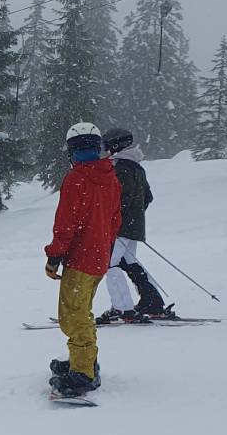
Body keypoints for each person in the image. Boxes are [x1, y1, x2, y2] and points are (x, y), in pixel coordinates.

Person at [44, 122, 123, 399]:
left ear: (72, 151)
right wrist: (104, 246)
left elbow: (65, 224)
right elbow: (115, 220)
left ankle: (84, 374)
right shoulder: (109, 176)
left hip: (80, 260)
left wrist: (54, 256)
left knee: (73, 317)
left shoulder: (77, 178)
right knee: (82, 312)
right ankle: (83, 360)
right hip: (98, 258)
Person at [96, 127, 170, 324]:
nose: (105, 150)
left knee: (109, 264)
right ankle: (152, 302)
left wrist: (112, 219)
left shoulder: (118, 168)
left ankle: (123, 308)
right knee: (129, 262)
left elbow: (119, 200)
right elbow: (148, 197)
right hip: (133, 227)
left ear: (115, 145)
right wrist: (134, 217)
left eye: (106, 146)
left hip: (119, 227)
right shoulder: (137, 167)